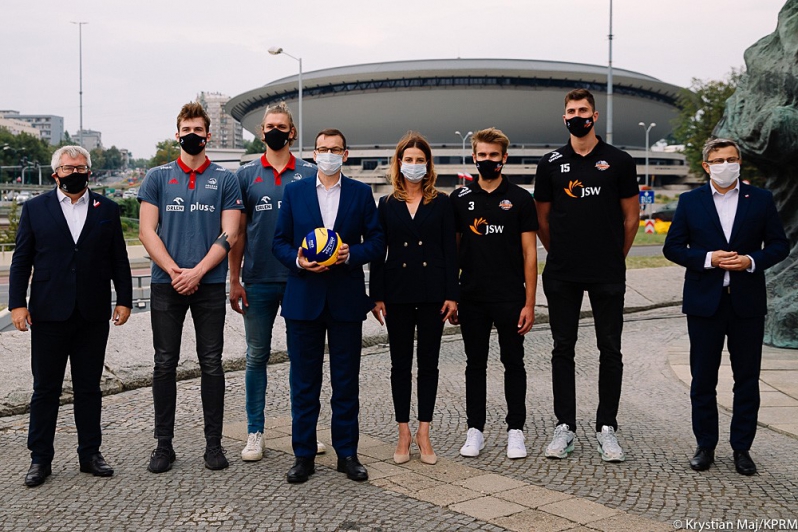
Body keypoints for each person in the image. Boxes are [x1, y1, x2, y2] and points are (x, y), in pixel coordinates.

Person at [9, 145, 133, 488]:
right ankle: (40, 459)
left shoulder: (108, 209)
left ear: (89, 171)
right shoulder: (35, 209)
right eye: (67, 168)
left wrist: (124, 299)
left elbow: (119, 259)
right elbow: (21, 260)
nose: (74, 173)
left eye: (80, 167)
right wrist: (17, 304)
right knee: (45, 389)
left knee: (89, 388)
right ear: (56, 173)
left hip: (92, 313)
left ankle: (90, 454)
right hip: (48, 313)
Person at [663, 138, 788, 475]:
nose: (725, 165)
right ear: (706, 166)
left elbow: (779, 245)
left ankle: (742, 448)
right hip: (705, 303)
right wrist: (708, 258)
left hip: (747, 303)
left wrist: (751, 260)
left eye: (731, 159)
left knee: (746, 379)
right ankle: (705, 445)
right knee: (703, 379)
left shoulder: (760, 199)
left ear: (739, 162)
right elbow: (673, 247)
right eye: (718, 160)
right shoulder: (691, 201)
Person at [272, 128, 384, 483]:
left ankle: (347, 454)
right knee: (304, 384)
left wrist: (352, 254)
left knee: (345, 384)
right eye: (323, 149)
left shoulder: (360, 193)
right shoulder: (295, 192)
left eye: (335, 149)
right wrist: (300, 261)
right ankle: (303, 455)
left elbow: (377, 241)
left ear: (345, 154)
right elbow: (279, 242)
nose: (329, 154)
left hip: (345, 300)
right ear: (314, 154)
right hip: (303, 300)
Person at [534, 88, 639, 462]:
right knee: (562, 348)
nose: (577, 116)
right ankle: (565, 426)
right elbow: (542, 219)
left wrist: (614, 256)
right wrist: (560, 252)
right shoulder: (550, 163)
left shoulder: (620, 161)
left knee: (610, 348)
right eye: (571, 111)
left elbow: (631, 218)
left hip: (606, 271)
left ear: (595, 116)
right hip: (562, 272)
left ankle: (607, 427)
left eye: (583, 110)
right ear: (564, 117)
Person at [138, 102, 243, 474]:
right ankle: (163, 446)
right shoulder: (157, 177)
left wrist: (197, 272)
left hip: (209, 283)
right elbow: (146, 231)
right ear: (177, 134)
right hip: (166, 284)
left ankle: (213, 444)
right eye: (187, 130)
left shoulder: (226, 179)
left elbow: (230, 233)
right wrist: (174, 271)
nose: (193, 136)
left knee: (211, 363)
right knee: (164, 363)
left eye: (199, 130)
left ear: (208, 135)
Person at [228, 102, 325, 462]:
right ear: (261, 132)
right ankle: (255, 431)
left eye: (281, 126)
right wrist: (234, 278)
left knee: (304, 358)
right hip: (258, 279)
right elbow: (237, 233)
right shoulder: (246, 175)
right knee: (256, 356)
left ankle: (305, 431)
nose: (274, 131)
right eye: (269, 126)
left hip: (301, 278)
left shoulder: (310, 172)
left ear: (292, 132)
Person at [370, 132, 459, 465]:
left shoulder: (442, 201)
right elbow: (378, 252)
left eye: (420, 160)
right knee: (400, 365)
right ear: (399, 162)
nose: (414, 165)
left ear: (428, 165)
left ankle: (424, 431)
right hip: (398, 292)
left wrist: (452, 294)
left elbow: (450, 251)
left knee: (429, 364)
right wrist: (376, 295)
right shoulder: (386, 204)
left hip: (433, 291)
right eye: (408, 159)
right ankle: (403, 432)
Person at [450, 127, 538, 460]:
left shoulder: (520, 198)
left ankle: (516, 430)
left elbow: (530, 254)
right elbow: (452, 252)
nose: (488, 160)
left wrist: (530, 302)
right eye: (482, 155)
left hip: (511, 297)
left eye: (494, 155)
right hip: (472, 297)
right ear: (474, 157)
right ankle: (475, 430)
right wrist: (452, 295)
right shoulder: (459, 199)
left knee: (514, 363)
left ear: (504, 158)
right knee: (475, 365)